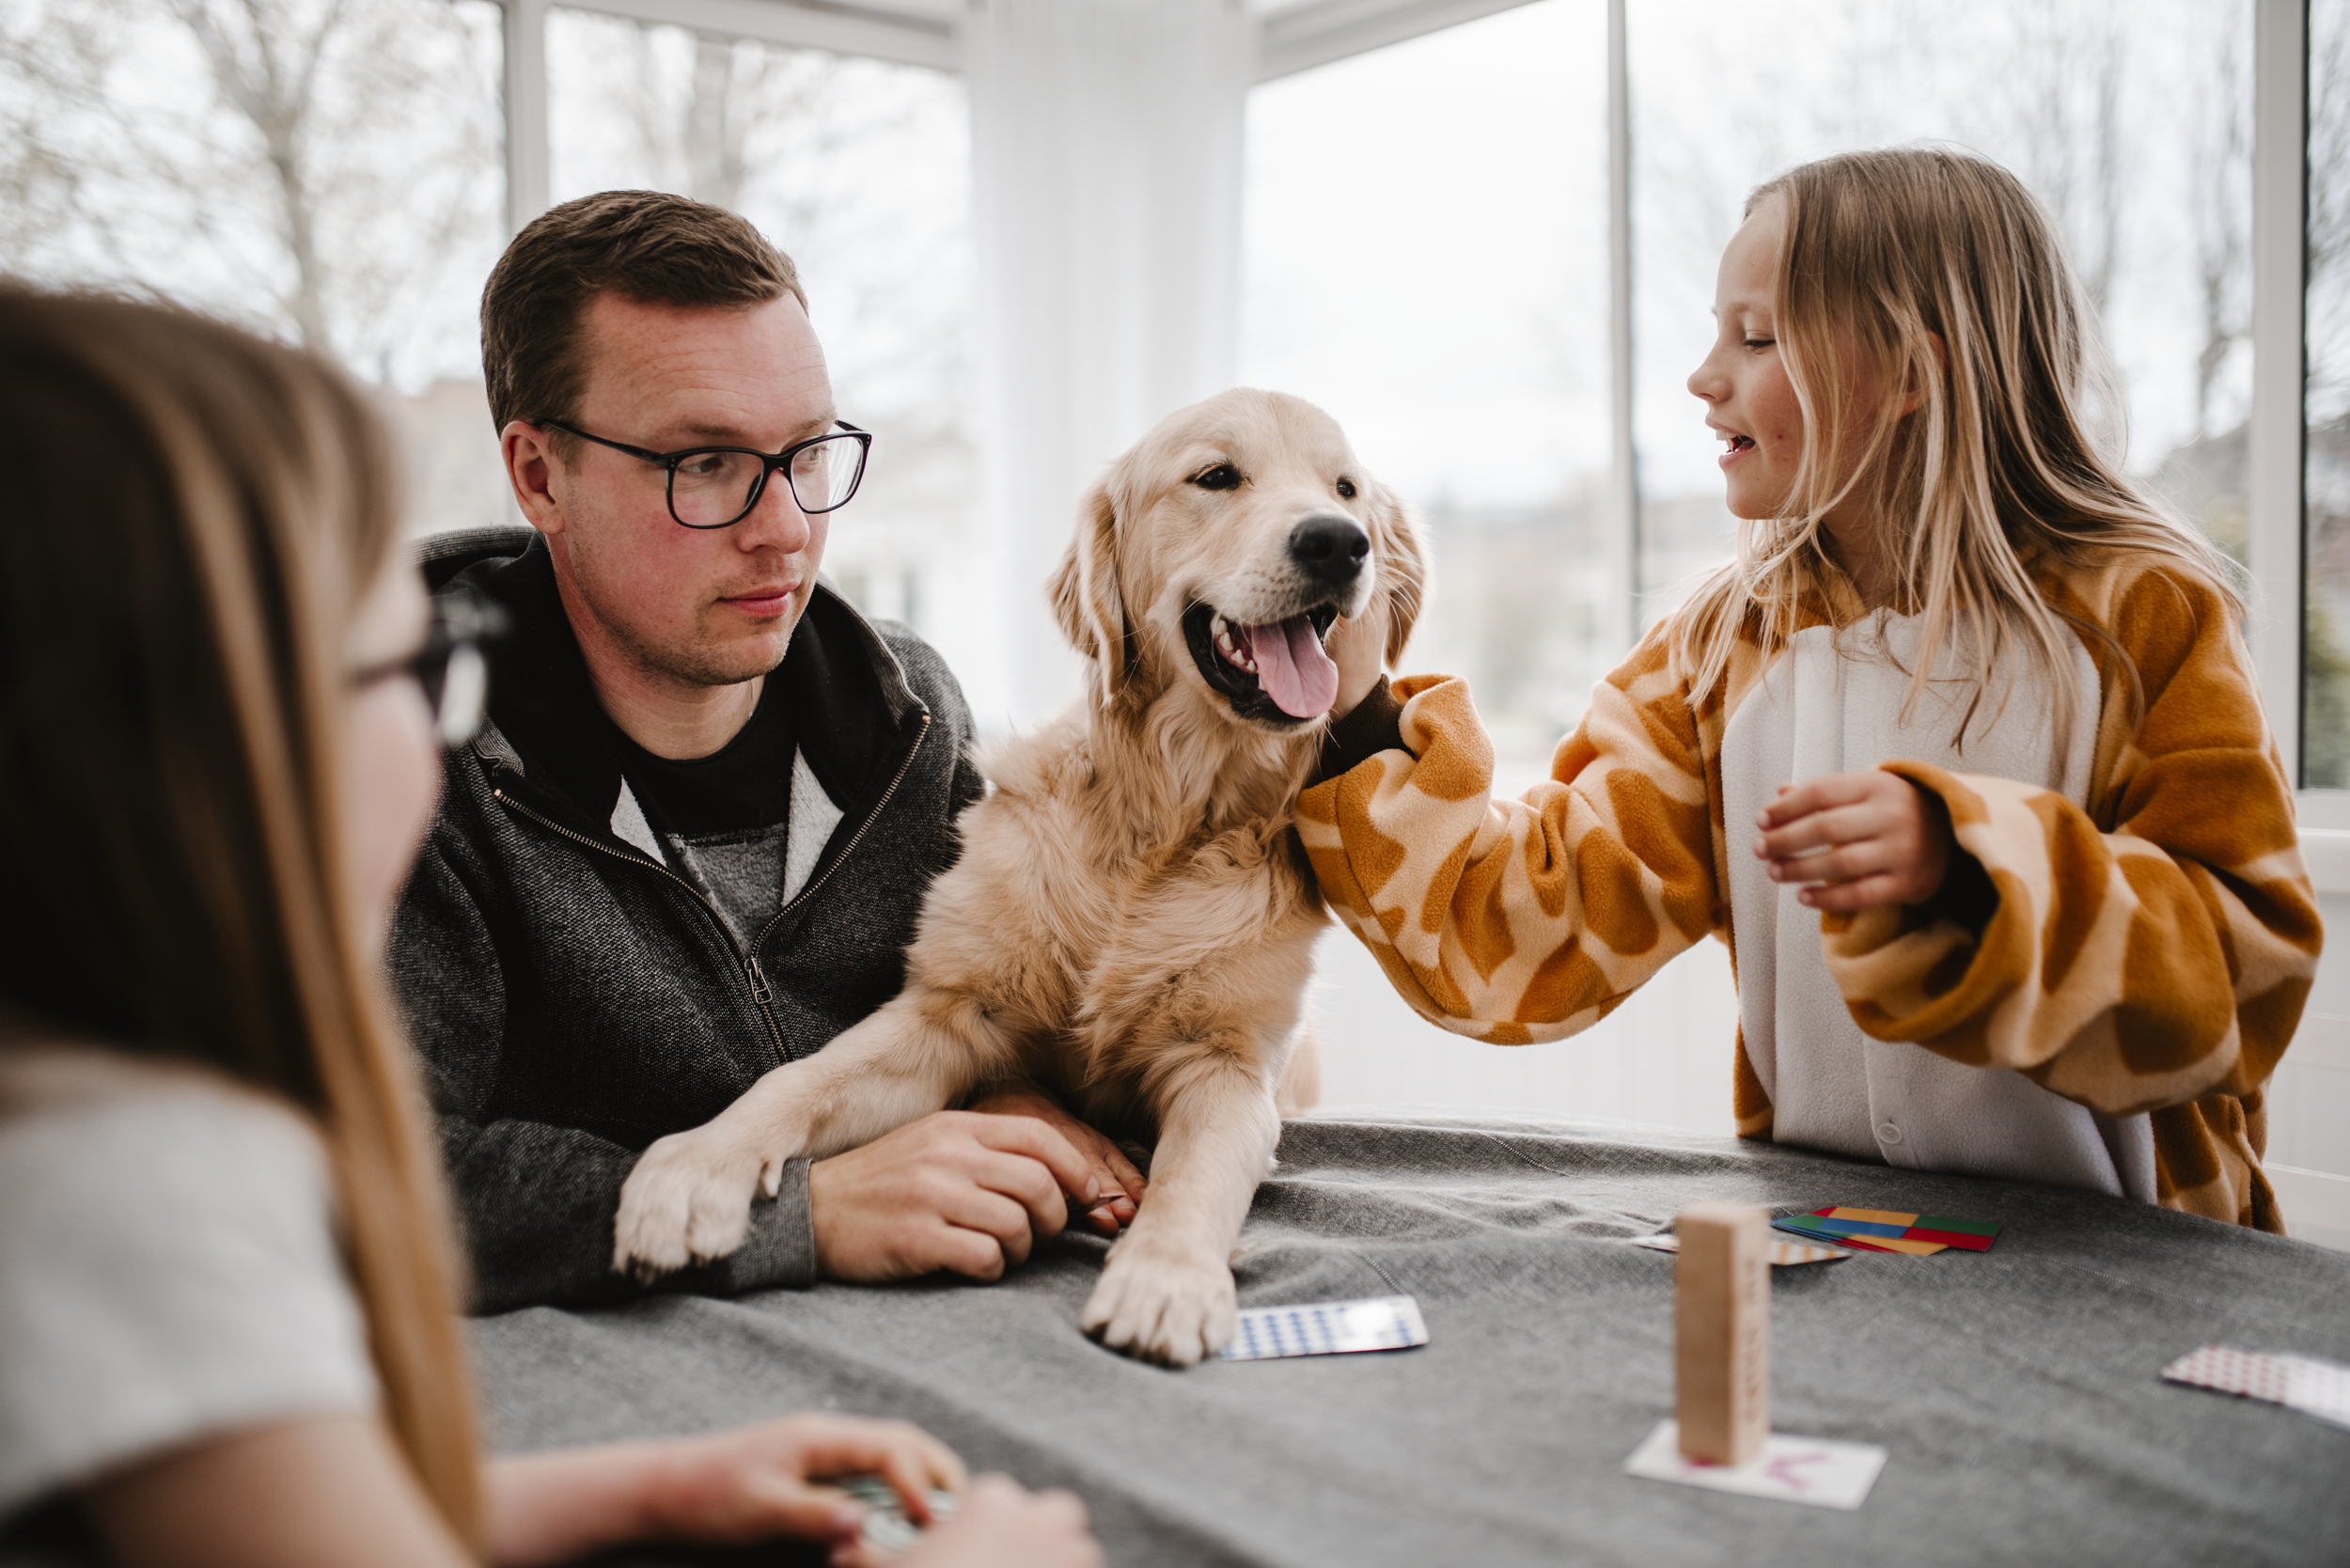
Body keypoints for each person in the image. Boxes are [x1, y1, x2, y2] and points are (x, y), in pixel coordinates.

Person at [0, 285, 1101, 1567]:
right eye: (407, 669)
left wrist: (643, 1491)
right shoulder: (127, 1184)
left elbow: (247, 1515)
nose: (787, 528)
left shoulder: (80, 1123)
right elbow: (402, 1183)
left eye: (807, 456)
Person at [1306, 147, 2321, 1229]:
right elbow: (1524, 945)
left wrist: (1963, 866)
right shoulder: (1718, 648)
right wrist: (1361, 716)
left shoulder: (2141, 616)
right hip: (1849, 1250)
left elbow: (2240, 971)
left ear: (1911, 376)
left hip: (2140, 1261)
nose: (1704, 377)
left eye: (1757, 337)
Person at [391, 191, 1145, 1312]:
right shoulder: (398, 766)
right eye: (705, 464)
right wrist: (802, 1211)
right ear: (538, 475)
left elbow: (994, 1015)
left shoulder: (916, 714)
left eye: (808, 452)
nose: (787, 528)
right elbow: (365, 1180)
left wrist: (1006, 1096)